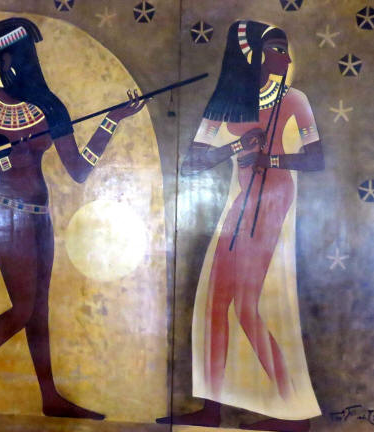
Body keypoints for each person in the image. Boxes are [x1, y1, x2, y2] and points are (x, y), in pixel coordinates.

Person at [0, 17, 145, 418]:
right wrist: (3, 161)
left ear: (8, 64)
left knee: (39, 311)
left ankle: (49, 398)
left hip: (40, 217)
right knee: (22, 309)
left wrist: (112, 120)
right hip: (6, 214)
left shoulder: (49, 110)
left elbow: (79, 170)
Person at [156, 21, 324, 432]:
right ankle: (212, 409)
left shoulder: (294, 100)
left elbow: (317, 159)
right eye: (276, 49)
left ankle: (294, 411)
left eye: (285, 49)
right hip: (241, 202)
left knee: (246, 306)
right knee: (215, 304)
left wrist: (271, 160)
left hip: (272, 199)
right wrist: (236, 145)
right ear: (253, 56)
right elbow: (191, 163)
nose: (285, 58)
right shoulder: (226, 103)